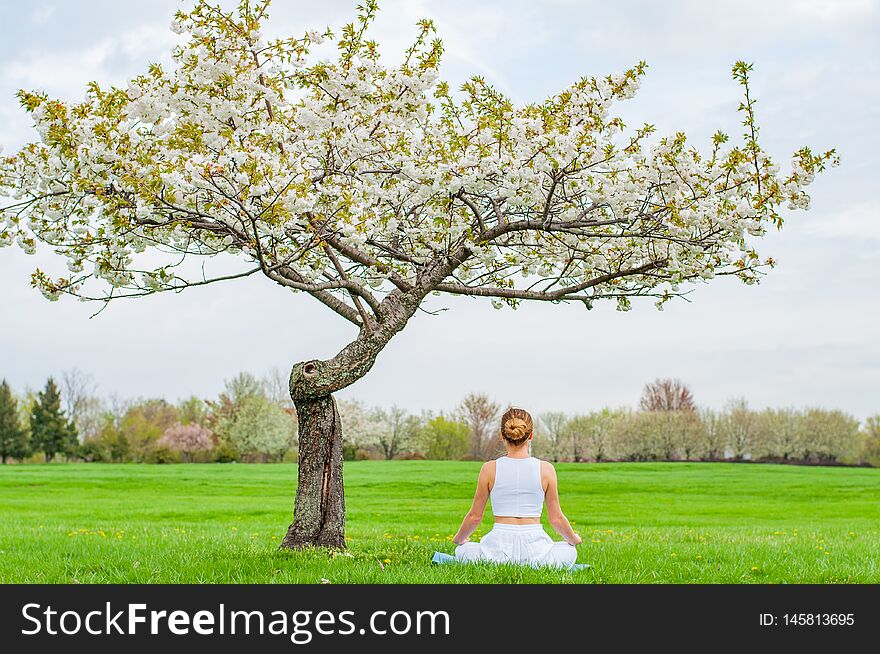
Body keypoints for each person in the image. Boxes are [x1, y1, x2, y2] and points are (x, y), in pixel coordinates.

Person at [450, 407, 582, 568]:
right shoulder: (546, 469)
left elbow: (475, 517)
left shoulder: (489, 469)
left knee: (463, 550)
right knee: (569, 550)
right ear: (531, 435)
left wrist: (459, 540)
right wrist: (574, 539)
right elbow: (556, 519)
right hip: (535, 549)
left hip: (498, 548)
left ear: (502, 435)